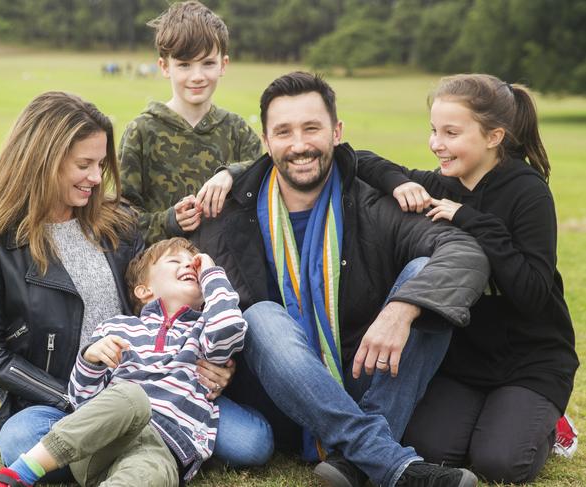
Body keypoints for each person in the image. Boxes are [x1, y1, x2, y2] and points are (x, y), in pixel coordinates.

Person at [190, 71, 490, 487]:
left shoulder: (372, 201)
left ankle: (356, 459)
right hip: (276, 397)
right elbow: (178, 291)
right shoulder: (227, 213)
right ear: (265, 140)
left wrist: (403, 308)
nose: (299, 145)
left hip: (365, 383)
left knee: (425, 279)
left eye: (312, 128)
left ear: (336, 132)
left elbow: (464, 252)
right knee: (259, 317)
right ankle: (386, 460)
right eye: (284, 132)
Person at [0, 92, 243, 484]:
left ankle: (113, 453)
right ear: (42, 161)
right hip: (63, 397)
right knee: (20, 436)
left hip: (152, 384)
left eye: (100, 164)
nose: (96, 178)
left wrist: (215, 365)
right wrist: (69, 400)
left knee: (251, 441)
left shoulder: (118, 222)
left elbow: (159, 299)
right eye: (84, 165)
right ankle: (131, 454)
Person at [355, 73, 579, 484]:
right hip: (467, 360)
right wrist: (400, 181)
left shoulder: (528, 193)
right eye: (433, 130)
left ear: (494, 136)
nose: (436, 143)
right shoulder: (444, 183)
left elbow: (531, 292)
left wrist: (470, 220)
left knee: (500, 462)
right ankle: (495, 415)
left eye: (451, 132)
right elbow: (360, 159)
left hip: (531, 359)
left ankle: (554, 426)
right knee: (431, 449)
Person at [0, 237, 270, 486]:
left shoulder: (206, 331)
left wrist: (211, 272)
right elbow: (83, 404)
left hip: (164, 446)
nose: (190, 266)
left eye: (195, 265)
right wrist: (91, 361)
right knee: (132, 397)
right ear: (144, 290)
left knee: (150, 473)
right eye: (176, 261)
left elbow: (230, 326)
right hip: (104, 441)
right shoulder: (117, 328)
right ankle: (22, 471)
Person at [119, 0, 262, 244]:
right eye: (184, 65)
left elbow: (266, 184)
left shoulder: (238, 131)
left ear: (223, 65)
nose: (197, 76)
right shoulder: (140, 132)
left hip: (226, 273)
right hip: (160, 273)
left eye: (207, 63)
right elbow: (121, 219)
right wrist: (169, 221)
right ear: (165, 67)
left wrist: (231, 175)